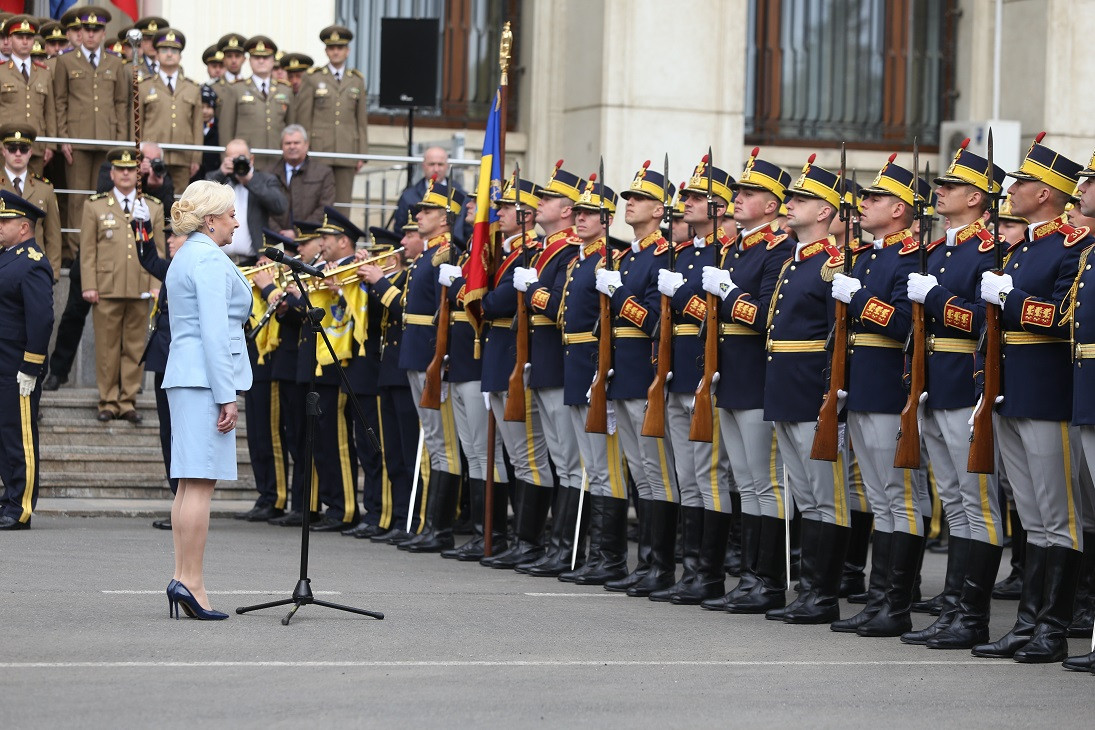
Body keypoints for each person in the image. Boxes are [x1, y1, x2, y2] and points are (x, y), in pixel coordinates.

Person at [973, 134, 1091, 663]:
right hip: (1012, 391)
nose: (1013, 189)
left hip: (1047, 393)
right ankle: (1028, 620)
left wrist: (1011, 298)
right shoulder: (1021, 248)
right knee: (1033, 515)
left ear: (1047, 193)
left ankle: (1052, 626)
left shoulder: (1073, 247)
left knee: (1058, 513)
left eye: (1023, 182)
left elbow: (1062, 319)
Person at [901, 141, 1007, 649]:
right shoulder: (940, 250)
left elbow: (983, 324)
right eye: (940, 185)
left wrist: (937, 298)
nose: (939, 191)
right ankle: (953, 609)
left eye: (951, 186)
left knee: (978, 502)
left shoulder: (990, 252)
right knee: (956, 502)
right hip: (936, 384)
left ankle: (973, 616)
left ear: (979, 199)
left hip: (968, 383)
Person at [699, 150, 794, 612]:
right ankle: (751, 579)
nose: (737, 198)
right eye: (738, 191)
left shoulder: (779, 251)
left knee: (766, 482)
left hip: (758, 375)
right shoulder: (732, 248)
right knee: (745, 482)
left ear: (773, 205)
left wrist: (729, 292)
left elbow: (767, 318)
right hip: (731, 376)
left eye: (749, 192)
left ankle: (769, 581)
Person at [162, 180, 253, 620]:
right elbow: (216, 333)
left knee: (187, 483)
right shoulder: (210, 259)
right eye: (231, 214)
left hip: (186, 375)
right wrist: (227, 395)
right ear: (211, 220)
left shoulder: (185, 255)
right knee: (199, 484)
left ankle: (183, 576)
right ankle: (192, 583)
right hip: (205, 380)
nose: (237, 221)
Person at [595, 161, 679, 597]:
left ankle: (660, 566)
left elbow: (654, 324)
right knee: (640, 474)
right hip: (621, 374)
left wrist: (619, 293)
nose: (630, 204)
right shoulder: (628, 256)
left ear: (659, 210)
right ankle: (645, 563)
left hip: (645, 373)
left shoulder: (663, 256)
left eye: (640, 198)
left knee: (657, 472)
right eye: (628, 198)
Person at [511, 161, 587, 576]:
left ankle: (567, 547)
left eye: (548, 198)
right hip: (541, 362)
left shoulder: (568, 251)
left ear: (567, 210)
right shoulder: (543, 250)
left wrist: (535, 290)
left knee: (569, 460)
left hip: (561, 363)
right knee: (558, 458)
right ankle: (555, 546)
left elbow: (562, 308)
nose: (538, 203)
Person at [81, 148, 166, 423]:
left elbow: (160, 250)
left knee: (134, 347)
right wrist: (89, 284)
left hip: (140, 286)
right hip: (107, 287)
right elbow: (88, 250)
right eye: (121, 169)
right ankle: (108, 400)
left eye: (131, 169)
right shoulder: (94, 205)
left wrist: (156, 284)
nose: (126, 173)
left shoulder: (151, 206)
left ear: (138, 172)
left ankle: (128, 400)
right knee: (106, 347)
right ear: (113, 173)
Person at [52, 6, 129, 260]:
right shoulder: (65, 61)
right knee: (77, 199)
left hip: (108, 140)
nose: (91, 34)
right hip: (77, 139)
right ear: (80, 31)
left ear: (103, 32)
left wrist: (120, 141)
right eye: (86, 29)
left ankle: (104, 250)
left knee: (106, 197)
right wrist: (62, 138)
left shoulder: (115, 63)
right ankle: (77, 254)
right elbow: (60, 101)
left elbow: (121, 104)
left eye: (96, 30)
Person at [0, 190, 53, 530]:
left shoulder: (32, 262)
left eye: (4, 221)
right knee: (4, 436)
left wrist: (31, 367)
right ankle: (8, 497)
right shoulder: (7, 257)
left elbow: (41, 320)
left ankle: (20, 506)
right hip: (2, 363)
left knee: (19, 438)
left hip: (17, 367)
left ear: (23, 227)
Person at [138, 228, 187, 530]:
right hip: (164, 358)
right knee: (167, 431)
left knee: (179, 433)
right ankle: (177, 501)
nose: (169, 240)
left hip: (179, 361)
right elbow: (148, 259)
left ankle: (183, 504)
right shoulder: (173, 267)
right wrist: (141, 225)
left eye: (176, 236)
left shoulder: (191, 269)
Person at [291, 25, 368, 207]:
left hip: (347, 149)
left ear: (347, 51)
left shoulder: (356, 79)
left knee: (343, 204)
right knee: (317, 202)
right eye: (332, 48)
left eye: (340, 48)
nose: (336, 52)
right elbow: (304, 118)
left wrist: (362, 154)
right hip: (319, 150)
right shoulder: (313, 77)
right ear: (326, 51)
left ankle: (342, 237)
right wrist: (304, 148)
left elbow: (361, 120)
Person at [138, 29, 203, 191]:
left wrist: (196, 157)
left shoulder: (192, 88)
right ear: (157, 55)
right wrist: (137, 154)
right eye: (164, 50)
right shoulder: (144, 86)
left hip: (183, 156)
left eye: (174, 50)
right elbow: (137, 123)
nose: (169, 54)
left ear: (180, 56)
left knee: (179, 203)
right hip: (152, 156)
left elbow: (197, 125)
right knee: (152, 200)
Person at [206, 138, 287, 265]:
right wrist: (220, 173)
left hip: (254, 261)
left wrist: (249, 180)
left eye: (241, 159)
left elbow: (280, 206)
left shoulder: (265, 180)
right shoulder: (217, 180)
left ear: (252, 159)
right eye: (233, 159)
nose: (238, 163)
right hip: (218, 260)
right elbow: (201, 195)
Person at [0, 124, 62, 281]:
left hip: (34, 269)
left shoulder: (45, 188)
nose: (18, 153)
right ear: (3, 151)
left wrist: (52, 273)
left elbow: (53, 234)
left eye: (24, 149)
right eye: (12, 148)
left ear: (31, 152)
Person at [0, 16, 55, 176]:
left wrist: (50, 144)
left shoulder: (44, 72)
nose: (25, 41)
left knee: (34, 194)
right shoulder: (1, 71)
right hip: (6, 145)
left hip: (36, 145)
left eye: (29, 37)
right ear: (10, 40)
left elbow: (50, 112)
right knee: (5, 195)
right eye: (19, 37)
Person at [219, 36, 290, 153]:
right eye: (256, 57)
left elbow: (291, 127)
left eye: (266, 57)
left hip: (277, 159)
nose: (261, 61)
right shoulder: (236, 89)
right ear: (249, 60)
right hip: (245, 160)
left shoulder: (285, 90)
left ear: (273, 60)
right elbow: (226, 129)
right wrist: (227, 158)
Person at [393, 146, 470, 243]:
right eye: (431, 164)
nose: (436, 169)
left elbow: (469, 232)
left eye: (440, 164)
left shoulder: (462, 196)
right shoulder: (408, 196)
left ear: (447, 166)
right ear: (423, 166)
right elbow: (399, 231)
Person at [268, 124, 335, 235]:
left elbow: (325, 209)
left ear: (306, 145)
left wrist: (298, 232)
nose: (292, 146)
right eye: (288, 143)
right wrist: (279, 233)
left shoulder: (323, 173)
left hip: (311, 238)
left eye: (296, 143)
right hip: (276, 238)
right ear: (281, 146)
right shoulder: (268, 173)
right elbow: (263, 209)